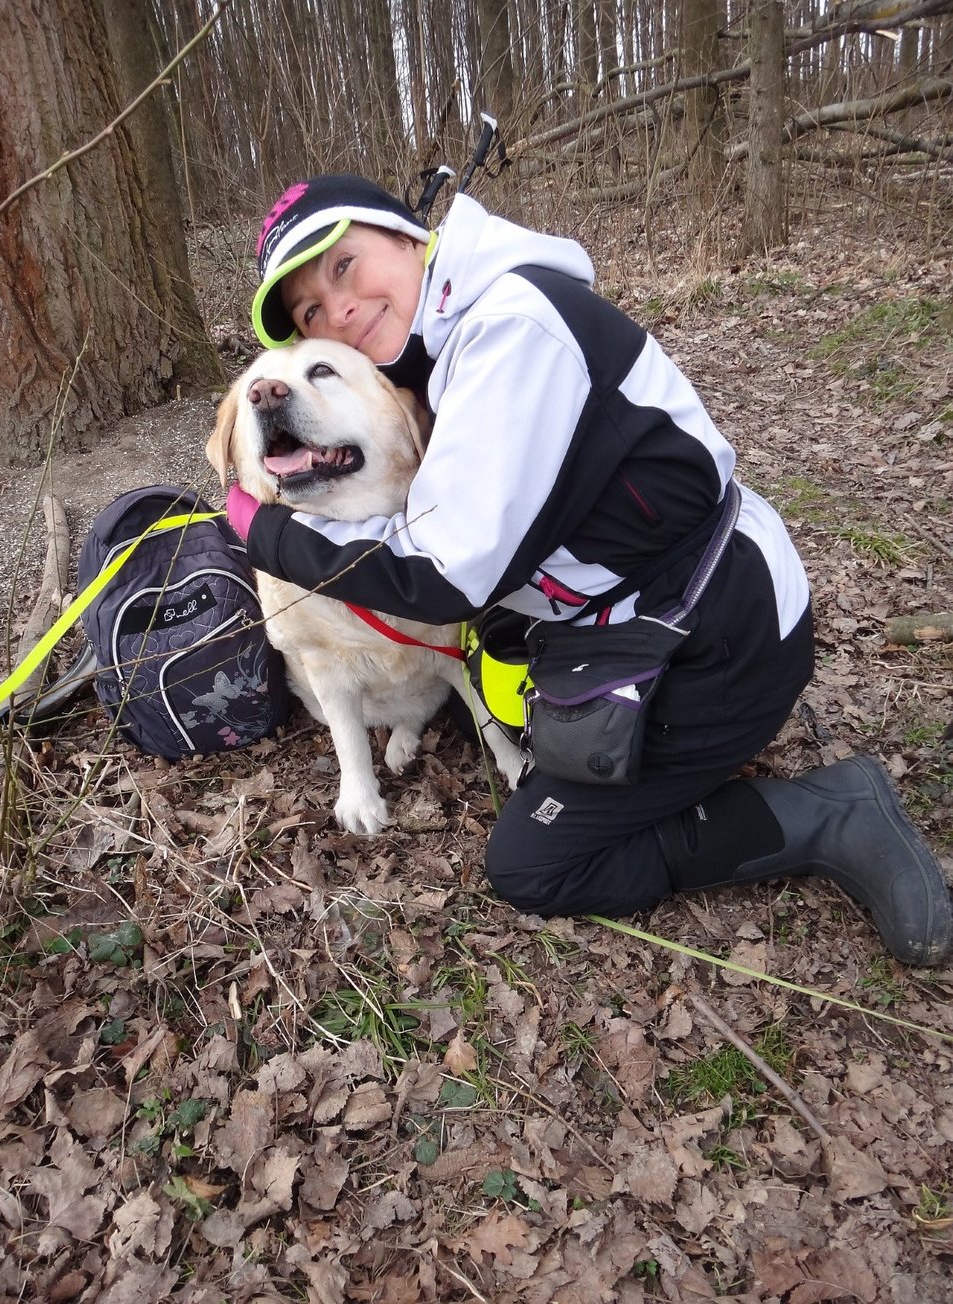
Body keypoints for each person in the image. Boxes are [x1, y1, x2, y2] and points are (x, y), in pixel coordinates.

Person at [227, 173, 952, 967]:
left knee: (535, 866)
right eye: (311, 312)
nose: (340, 310)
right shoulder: (453, 345)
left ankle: (831, 813)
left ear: (407, 236)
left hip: (722, 641)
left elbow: (440, 574)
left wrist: (262, 527)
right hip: (650, 626)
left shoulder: (512, 330)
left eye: (343, 267)